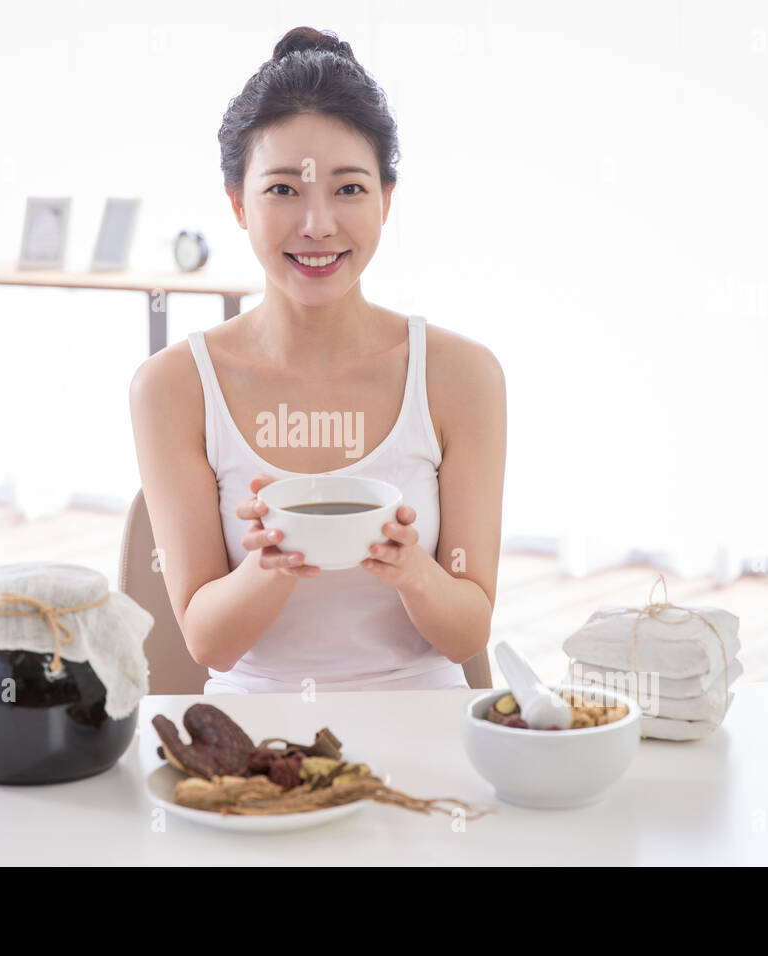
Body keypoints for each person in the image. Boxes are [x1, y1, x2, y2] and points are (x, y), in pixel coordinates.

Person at [129, 26, 506, 693]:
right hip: (254, 740)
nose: (318, 224)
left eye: (349, 189)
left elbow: (469, 631)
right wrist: (268, 565)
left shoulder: (461, 376)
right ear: (237, 203)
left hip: (426, 729)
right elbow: (207, 643)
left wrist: (411, 568)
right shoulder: (172, 387)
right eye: (282, 190)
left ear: (387, 201)